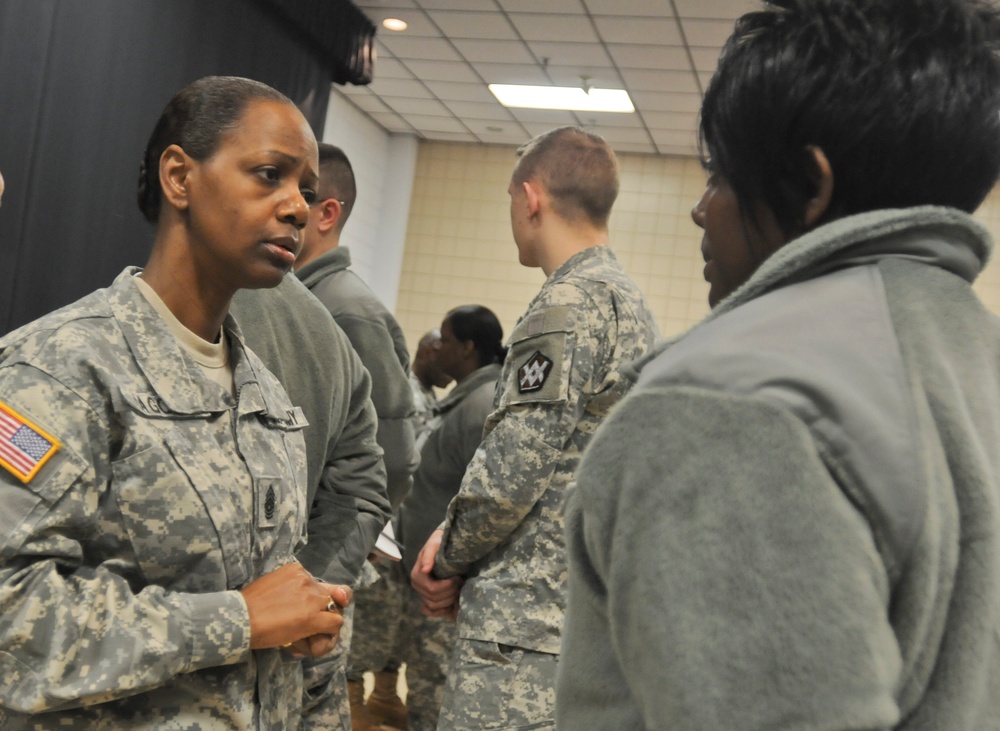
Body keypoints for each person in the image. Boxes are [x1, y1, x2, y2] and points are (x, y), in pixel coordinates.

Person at [556, 1, 1000, 729]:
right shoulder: (975, 354)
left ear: (808, 184)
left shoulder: (728, 402)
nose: (703, 210)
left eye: (720, 175)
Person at [0, 76, 350, 728]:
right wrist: (236, 619)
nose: (298, 208)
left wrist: (305, 622)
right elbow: (10, 615)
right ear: (179, 177)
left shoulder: (266, 397)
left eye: (305, 189)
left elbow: (281, 608)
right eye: (269, 174)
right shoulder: (61, 370)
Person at [411, 126, 658, 730]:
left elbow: (509, 473)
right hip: (584, 617)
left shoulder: (565, 305)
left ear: (531, 198)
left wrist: (445, 557)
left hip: (521, 630)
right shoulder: (633, 304)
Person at [293, 141, 419, 729]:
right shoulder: (289, 298)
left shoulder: (345, 311)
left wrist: (327, 568)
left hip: (309, 575)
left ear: (327, 214)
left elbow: (391, 460)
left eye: (298, 194)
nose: (280, 208)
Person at [231, 274, 392, 730]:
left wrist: (306, 592)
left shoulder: (333, 317)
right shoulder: (322, 325)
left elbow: (370, 476)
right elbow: (369, 482)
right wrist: (312, 588)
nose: (291, 209)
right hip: (289, 662)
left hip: (244, 667)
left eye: (301, 196)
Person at [394, 305, 505, 731]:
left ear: (467, 348)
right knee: (425, 682)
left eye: (443, 339)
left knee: (434, 689)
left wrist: (453, 570)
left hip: (449, 583)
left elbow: (484, 500)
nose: (435, 347)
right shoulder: (467, 397)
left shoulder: (482, 404)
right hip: (433, 576)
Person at [410, 328, 452, 450]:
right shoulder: (405, 392)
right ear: (427, 352)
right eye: (446, 362)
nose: (452, 372)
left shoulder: (427, 391)